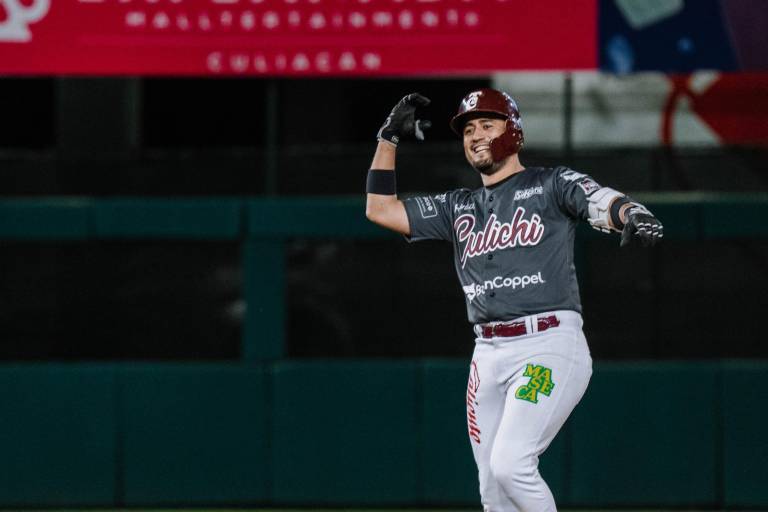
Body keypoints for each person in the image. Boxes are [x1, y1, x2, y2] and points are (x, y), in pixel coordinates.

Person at [365, 89, 663, 512]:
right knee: (493, 492)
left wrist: (628, 211)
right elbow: (380, 209)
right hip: (487, 354)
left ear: (514, 131)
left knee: (511, 465)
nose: (476, 135)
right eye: (468, 129)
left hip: (547, 344)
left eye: (487, 124)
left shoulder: (549, 184)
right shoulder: (459, 206)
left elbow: (598, 199)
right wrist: (388, 139)